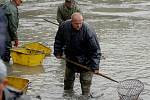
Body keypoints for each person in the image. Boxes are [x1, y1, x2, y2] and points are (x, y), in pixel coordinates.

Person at [54, 12, 101, 97]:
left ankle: (85, 96)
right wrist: (58, 52)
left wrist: (95, 67)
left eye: (80, 23)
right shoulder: (64, 26)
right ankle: (67, 96)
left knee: (85, 83)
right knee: (68, 82)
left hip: (86, 61)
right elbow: (58, 40)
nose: (78, 25)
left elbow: (95, 50)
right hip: (70, 58)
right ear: (71, 22)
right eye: (76, 24)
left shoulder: (88, 30)